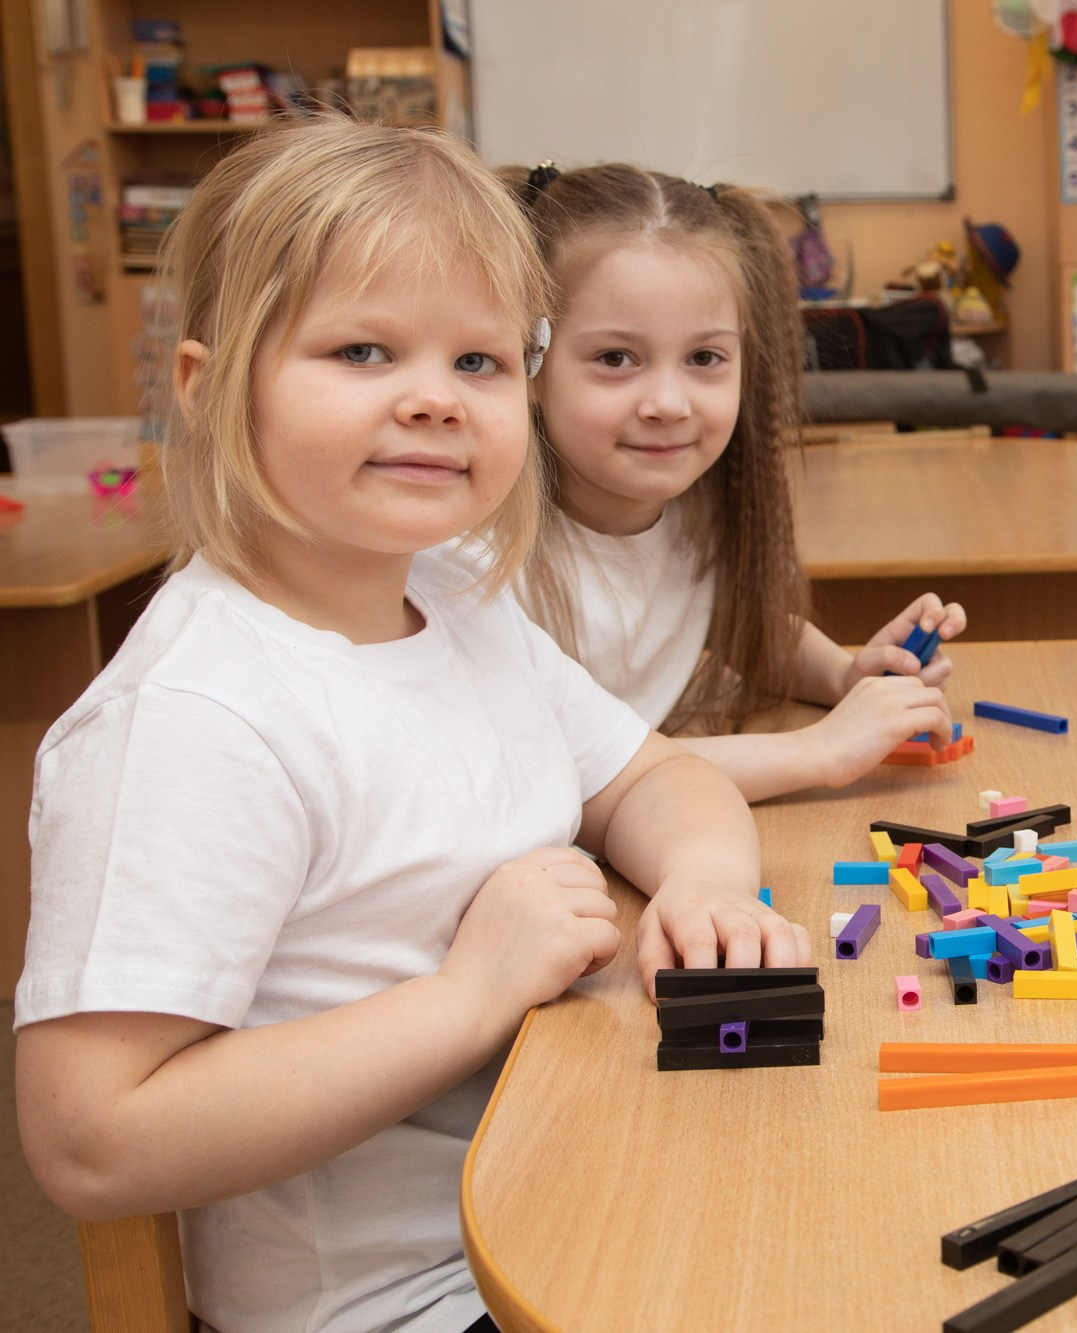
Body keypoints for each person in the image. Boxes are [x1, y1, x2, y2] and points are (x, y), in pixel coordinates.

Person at [13, 119, 808, 1333]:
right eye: (364, 349)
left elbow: (653, 778)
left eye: (482, 362)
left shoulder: (451, 597)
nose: (434, 399)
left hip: (567, 1187)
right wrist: (468, 993)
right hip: (409, 1299)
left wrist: (707, 886)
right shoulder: (191, 717)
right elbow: (93, 1142)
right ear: (206, 385)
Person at [506, 163, 963, 802]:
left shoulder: (689, 509)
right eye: (615, 359)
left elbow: (720, 618)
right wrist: (818, 751)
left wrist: (842, 674)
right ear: (526, 359)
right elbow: (562, 776)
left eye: (704, 358)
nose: (669, 402)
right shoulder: (482, 560)